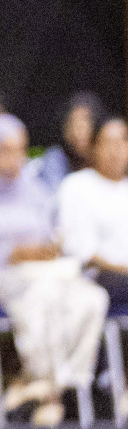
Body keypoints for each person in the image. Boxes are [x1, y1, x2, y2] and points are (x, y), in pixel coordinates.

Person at [0, 113, 108, 428]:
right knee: (43, 290)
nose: (16, 157)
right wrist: (11, 254)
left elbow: (50, 234)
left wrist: (48, 249)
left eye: (21, 148)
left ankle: (46, 384)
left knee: (91, 297)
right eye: (7, 149)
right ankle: (48, 393)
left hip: (37, 277)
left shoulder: (32, 190)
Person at [58, 116, 128, 306]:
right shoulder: (76, 186)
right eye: (108, 142)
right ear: (94, 147)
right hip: (95, 277)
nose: (116, 150)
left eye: (122, 141)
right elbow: (78, 248)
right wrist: (121, 268)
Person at [34, 92, 103, 192]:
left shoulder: (105, 157)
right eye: (72, 124)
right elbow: (56, 199)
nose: (77, 132)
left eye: (84, 124)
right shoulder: (56, 158)